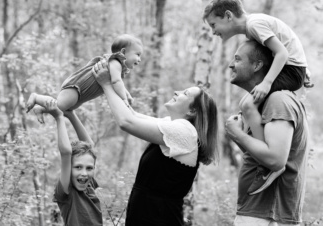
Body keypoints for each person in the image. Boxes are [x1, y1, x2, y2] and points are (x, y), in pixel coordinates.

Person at [203, 0, 312, 193]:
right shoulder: (252, 29)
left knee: (247, 104)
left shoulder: (254, 25)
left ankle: (268, 163)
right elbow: (287, 43)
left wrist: (267, 83)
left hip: (291, 69)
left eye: (213, 25)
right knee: (249, 103)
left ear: (228, 16)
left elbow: (282, 53)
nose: (213, 32)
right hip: (295, 69)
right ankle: (265, 154)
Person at [92, 59, 219, 226]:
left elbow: (126, 122)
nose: (176, 91)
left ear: (192, 110)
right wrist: (118, 86)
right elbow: (133, 115)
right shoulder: (174, 126)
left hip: (159, 218)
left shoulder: (185, 132)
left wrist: (106, 85)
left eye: (184, 93)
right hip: (148, 215)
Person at [225, 40, 309, 226]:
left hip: (268, 215)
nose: (231, 64)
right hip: (257, 211)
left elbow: (275, 160)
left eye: (238, 59)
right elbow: (258, 155)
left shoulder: (278, 100)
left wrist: (237, 134)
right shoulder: (257, 104)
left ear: (257, 65)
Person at [26, 34, 143, 123]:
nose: (139, 59)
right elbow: (116, 82)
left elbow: (118, 83)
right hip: (77, 87)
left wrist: (126, 94)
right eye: (137, 54)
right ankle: (36, 97)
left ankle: (41, 109)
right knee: (60, 105)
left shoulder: (117, 67)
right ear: (123, 52)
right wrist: (125, 100)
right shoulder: (115, 62)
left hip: (81, 94)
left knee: (66, 109)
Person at [39, 97, 102, 225]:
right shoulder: (67, 193)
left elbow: (90, 145)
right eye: (78, 167)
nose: (84, 173)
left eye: (89, 168)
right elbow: (66, 153)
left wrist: (71, 115)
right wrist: (59, 118)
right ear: (69, 169)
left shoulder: (88, 185)